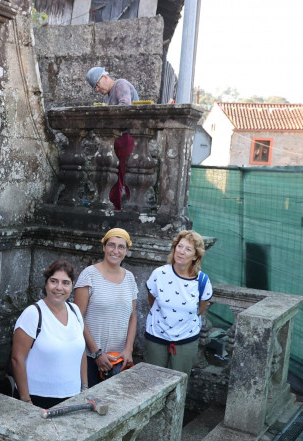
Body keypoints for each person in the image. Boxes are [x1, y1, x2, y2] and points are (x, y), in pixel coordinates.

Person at [10, 260, 88, 409]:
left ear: (72, 286)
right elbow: (17, 359)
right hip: (38, 398)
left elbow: (81, 352)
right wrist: (26, 401)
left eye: (65, 283)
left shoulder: (75, 311)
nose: (59, 287)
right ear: (46, 284)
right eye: (54, 281)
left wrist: (84, 387)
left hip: (72, 396)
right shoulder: (33, 314)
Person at [74, 228, 139, 387]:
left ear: (127, 250)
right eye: (111, 245)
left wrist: (128, 349)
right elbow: (78, 317)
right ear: (104, 247)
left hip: (118, 359)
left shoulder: (129, 278)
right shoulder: (89, 275)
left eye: (121, 247)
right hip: (90, 357)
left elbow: (132, 317)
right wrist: (96, 353)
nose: (115, 251)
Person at [144, 230, 213, 377]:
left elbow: (200, 309)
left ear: (195, 256)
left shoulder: (202, 281)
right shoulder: (159, 274)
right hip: (156, 335)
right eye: (179, 246)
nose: (181, 252)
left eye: (188, 249)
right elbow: (152, 299)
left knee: (177, 383)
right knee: (151, 382)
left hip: (186, 339)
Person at [86, 66, 139, 209]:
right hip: (116, 140)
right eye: (95, 87)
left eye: (97, 84)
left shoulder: (120, 84)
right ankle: (115, 210)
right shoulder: (107, 96)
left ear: (105, 77)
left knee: (126, 176)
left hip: (126, 137)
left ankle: (130, 211)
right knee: (115, 178)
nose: (97, 89)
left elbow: (125, 107)